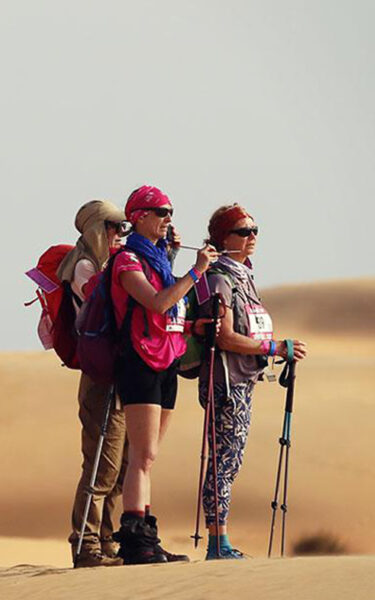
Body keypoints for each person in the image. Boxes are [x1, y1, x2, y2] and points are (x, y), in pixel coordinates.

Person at [110, 185, 218, 565]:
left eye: (170, 211)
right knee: (142, 454)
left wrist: (192, 325)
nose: (168, 218)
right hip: (139, 361)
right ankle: (135, 540)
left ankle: (146, 536)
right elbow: (158, 303)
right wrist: (196, 271)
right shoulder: (127, 262)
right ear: (139, 217)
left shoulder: (158, 261)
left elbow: (171, 311)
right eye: (161, 212)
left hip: (167, 360)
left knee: (148, 457)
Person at [197, 203, 308, 559]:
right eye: (243, 231)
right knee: (224, 461)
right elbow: (224, 337)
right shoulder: (219, 277)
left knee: (231, 460)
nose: (252, 237)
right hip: (226, 382)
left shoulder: (242, 276)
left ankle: (221, 542)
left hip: (243, 380)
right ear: (223, 238)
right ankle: (218, 543)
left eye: (255, 230)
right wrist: (275, 348)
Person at [58, 200, 131, 568]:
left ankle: (105, 539)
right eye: (114, 227)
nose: (120, 234)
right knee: (102, 465)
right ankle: (85, 544)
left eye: (123, 227)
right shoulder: (85, 266)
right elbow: (109, 301)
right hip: (100, 377)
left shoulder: (102, 263)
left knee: (120, 466)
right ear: (96, 229)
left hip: (117, 374)